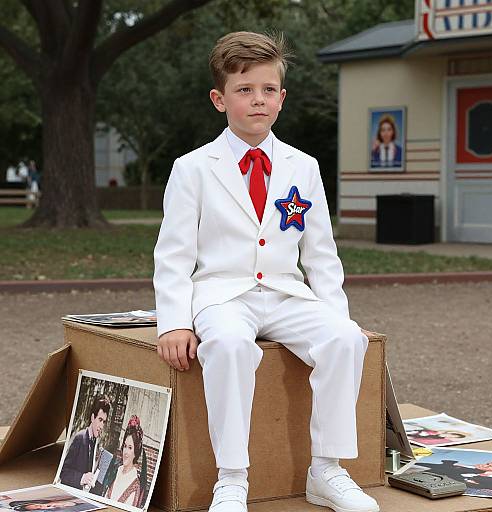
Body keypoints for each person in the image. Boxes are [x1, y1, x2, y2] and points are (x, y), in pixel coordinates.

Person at [153, 31, 379, 512]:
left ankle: (327, 469)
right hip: (222, 295)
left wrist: (337, 314)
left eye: (268, 90)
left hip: (284, 292)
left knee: (345, 340)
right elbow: (172, 254)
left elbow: (321, 253)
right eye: (244, 89)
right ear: (220, 99)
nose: (258, 99)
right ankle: (232, 478)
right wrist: (173, 321)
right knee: (231, 345)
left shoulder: (305, 167)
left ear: (282, 97)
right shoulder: (192, 168)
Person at [59, 396, 111, 494]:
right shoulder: (80, 438)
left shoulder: (96, 442)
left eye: (104, 422)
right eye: (100, 420)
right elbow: (63, 473)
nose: (101, 426)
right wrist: (82, 477)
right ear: (92, 418)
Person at [105, 415, 146, 508]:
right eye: (125, 446)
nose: (126, 452)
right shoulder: (117, 470)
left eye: (130, 448)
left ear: (135, 452)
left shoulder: (134, 484)